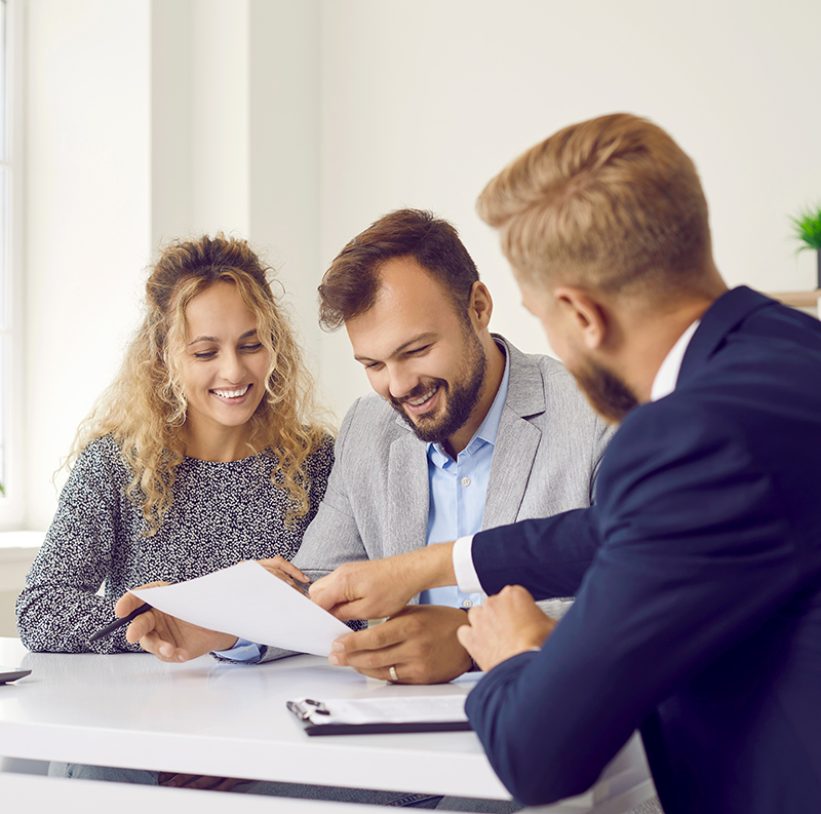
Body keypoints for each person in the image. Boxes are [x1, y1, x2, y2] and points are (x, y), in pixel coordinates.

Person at [308, 115, 821, 814]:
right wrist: (437, 565)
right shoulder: (790, 350)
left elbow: (536, 754)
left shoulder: (687, 434)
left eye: (537, 314)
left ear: (580, 314)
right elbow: (615, 531)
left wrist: (512, 651)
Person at [120, 209, 611, 689]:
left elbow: (638, 592)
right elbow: (317, 583)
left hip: (550, 732)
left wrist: (467, 640)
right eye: (373, 364)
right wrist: (221, 623)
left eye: (416, 350)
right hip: (386, 746)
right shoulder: (369, 426)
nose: (398, 387)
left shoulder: (595, 410)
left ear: (478, 307)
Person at [16, 234, 332, 790]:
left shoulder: (317, 461)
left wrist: (220, 625)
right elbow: (41, 610)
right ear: (164, 357)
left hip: (275, 737)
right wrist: (182, 620)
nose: (233, 372)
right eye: (205, 352)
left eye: (251, 345)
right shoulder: (117, 463)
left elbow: (341, 614)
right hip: (143, 734)